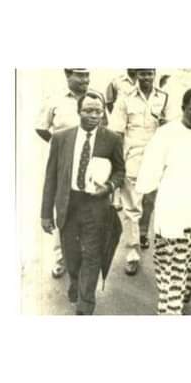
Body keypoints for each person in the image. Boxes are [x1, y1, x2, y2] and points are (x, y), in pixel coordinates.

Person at [135, 88, 191, 315]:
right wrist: (149, 204)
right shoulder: (166, 134)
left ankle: (183, 292)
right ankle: (169, 310)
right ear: (183, 108)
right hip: (173, 212)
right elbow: (149, 174)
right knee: (171, 266)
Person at [40, 93, 125, 315]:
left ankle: (85, 304)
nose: (94, 115)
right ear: (79, 112)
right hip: (69, 204)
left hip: (96, 206)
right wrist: (46, 214)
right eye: (88, 110)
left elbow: (120, 171)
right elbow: (51, 177)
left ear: (103, 113)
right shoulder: (61, 138)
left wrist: (108, 187)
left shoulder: (112, 139)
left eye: (98, 111)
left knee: (92, 255)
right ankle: (76, 282)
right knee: (71, 254)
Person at [35, 68, 105, 279]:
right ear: (67, 75)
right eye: (80, 75)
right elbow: (41, 127)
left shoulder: (96, 98)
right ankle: (60, 257)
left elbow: (105, 127)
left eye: (87, 75)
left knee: (88, 209)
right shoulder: (54, 99)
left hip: (90, 162)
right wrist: (61, 146)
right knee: (63, 208)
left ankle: (83, 255)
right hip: (64, 164)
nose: (85, 79)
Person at [109, 68, 168, 275]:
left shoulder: (164, 97)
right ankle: (132, 252)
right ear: (137, 75)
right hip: (133, 158)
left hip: (157, 158)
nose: (146, 77)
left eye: (149, 73)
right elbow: (116, 132)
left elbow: (172, 127)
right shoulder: (125, 98)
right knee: (132, 207)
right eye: (142, 73)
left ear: (154, 74)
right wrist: (117, 161)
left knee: (150, 201)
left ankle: (142, 233)